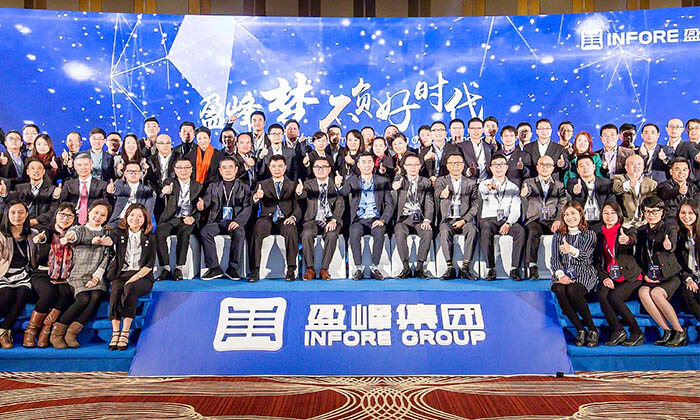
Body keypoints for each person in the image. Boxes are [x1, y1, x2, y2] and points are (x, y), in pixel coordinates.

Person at [50, 199, 112, 349]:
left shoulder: (107, 234)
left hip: (96, 275)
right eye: (96, 212)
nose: (98, 217)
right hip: (78, 274)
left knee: (96, 296)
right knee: (83, 299)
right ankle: (57, 332)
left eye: (103, 215)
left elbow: (106, 257)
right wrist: (70, 237)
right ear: (89, 212)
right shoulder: (79, 229)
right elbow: (75, 235)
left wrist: (97, 277)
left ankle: (71, 333)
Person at [23, 204, 76, 348]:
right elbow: (43, 236)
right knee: (49, 294)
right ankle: (31, 331)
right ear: (56, 215)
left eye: (69, 216)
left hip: (64, 275)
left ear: (74, 218)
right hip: (42, 273)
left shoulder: (74, 234)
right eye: (62, 214)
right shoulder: (46, 230)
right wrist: (40, 238)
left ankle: (46, 330)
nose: (65, 218)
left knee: (66, 293)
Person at [635, 196, 686, 347]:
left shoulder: (669, 227)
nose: (651, 215)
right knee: (643, 292)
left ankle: (680, 331)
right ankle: (667, 331)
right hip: (651, 275)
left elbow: (673, 245)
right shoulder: (641, 231)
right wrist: (644, 274)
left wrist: (669, 246)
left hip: (669, 275)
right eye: (647, 211)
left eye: (655, 211)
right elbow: (639, 257)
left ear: (662, 212)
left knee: (656, 293)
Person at [106, 203, 155, 351]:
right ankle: (115, 332)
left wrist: (132, 279)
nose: (135, 219)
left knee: (130, 288)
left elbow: (150, 264)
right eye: (132, 215)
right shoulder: (118, 232)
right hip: (121, 273)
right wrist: (103, 241)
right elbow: (110, 240)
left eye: (140, 216)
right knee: (116, 289)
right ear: (126, 217)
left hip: (142, 275)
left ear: (145, 219)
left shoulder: (150, 237)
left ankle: (125, 331)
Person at [594, 201, 644, 346]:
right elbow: (596, 261)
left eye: (613, 213)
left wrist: (627, 240)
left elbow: (633, 239)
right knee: (602, 293)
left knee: (614, 297)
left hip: (630, 276)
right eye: (606, 213)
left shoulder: (626, 231)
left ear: (619, 215)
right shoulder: (599, 235)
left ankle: (636, 332)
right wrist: (604, 277)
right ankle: (617, 330)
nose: (609, 216)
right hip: (611, 275)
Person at [550, 201, 599, 347]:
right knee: (559, 289)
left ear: (581, 214)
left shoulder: (589, 234)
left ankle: (593, 329)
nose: (570, 217)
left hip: (584, 272)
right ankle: (580, 329)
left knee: (572, 290)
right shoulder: (558, 235)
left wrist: (571, 249)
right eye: (566, 214)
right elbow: (555, 259)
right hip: (564, 272)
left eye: (573, 213)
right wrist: (561, 275)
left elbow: (586, 257)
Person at [340, 152, 395, 281]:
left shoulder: (382, 181)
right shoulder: (352, 180)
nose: (367, 165)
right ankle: (358, 268)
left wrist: (383, 220)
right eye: (363, 162)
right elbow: (343, 193)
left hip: (376, 218)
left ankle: (375, 267)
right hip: (358, 219)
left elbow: (389, 204)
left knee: (379, 232)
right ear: (358, 165)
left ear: (373, 164)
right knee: (354, 232)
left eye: (369, 162)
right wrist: (338, 185)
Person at [197, 157, 252, 280]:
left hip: (235, 222)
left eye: (231, 167)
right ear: (220, 171)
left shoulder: (245, 187)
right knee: (205, 232)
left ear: (236, 169)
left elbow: (248, 207)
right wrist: (202, 205)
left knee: (239, 233)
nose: (228, 170)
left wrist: (238, 221)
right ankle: (214, 267)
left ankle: (233, 268)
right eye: (224, 168)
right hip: (217, 222)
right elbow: (206, 201)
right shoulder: (213, 186)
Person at [248, 155, 301, 283]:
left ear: (285, 168)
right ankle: (255, 270)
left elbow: (298, 207)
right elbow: (251, 202)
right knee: (257, 228)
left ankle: (291, 269)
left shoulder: (293, 185)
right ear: (269, 168)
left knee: (291, 229)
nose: (277, 169)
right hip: (267, 218)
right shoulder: (261, 184)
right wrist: (256, 197)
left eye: (280, 166)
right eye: (274, 166)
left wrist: (293, 217)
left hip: (285, 218)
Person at [154, 158, 203, 282]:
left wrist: (194, 218)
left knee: (184, 233)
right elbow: (163, 190)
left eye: (186, 168)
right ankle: (165, 268)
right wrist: (164, 191)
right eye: (180, 168)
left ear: (191, 170)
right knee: (159, 232)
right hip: (171, 219)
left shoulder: (198, 186)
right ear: (175, 170)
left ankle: (179, 268)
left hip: (188, 219)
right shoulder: (170, 182)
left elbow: (201, 208)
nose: (183, 171)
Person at [478, 154, 526, 280]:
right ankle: (490, 269)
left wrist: (509, 223)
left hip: (506, 219)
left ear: (506, 167)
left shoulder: (513, 187)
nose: (498, 167)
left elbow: (516, 208)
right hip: (489, 220)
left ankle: (514, 268)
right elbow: (484, 192)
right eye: (495, 165)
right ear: (490, 168)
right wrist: (490, 189)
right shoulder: (484, 184)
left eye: (501, 164)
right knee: (486, 229)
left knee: (520, 231)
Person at [520, 155, 567, 280]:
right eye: (542, 165)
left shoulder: (559, 185)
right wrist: (525, 193)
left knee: (562, 232)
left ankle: (561, 266)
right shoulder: (528, 182)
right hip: (535, 219)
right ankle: (532, 266)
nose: (545, 168)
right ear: (537, 167)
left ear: (553, 168)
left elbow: (562, 204)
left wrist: (558, 220)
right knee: (533, 231)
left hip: (552, 220)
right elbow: (527, 191)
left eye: (548, 165)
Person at [297, 158, 344, 281]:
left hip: (330, 219)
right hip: (313, 219)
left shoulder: (335, 183)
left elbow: (340, 203)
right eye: (317, 167)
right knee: (306, 234)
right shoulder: (308, 184)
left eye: (324, 167)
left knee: (332, 234)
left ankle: (324, 269)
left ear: (329, 169)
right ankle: (310, 269)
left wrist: (334, 219)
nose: (320, 169)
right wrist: (299, 192)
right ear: (313, 170)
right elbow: (303, 195)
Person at [435, 153, 479, 280]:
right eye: (452, 163)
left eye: (458, 163)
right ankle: (450, 268)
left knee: (472, 230)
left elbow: (475, 205)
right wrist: (442, 194)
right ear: (447, 166)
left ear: (463, 165)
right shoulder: (441, 181)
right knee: (444, 231)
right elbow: (437, 192)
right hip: (447, 220)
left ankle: (466, 267)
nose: (455, 166)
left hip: (464, 219)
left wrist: (464, 220)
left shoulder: (471, 182)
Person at [0, 201, 37, 349]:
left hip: (22, 274)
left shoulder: (32, 234)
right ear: (7, 214)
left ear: (27, 214)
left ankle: (4, 331)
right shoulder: (1, 235)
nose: (17, 216)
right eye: (13, 212)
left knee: (23, 292)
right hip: (3, 274)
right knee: (7, 294)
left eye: (21, 212)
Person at [392, 154, 434, 279]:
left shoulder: (426, 182)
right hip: (403, 219)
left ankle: (419, 267)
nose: (412, 167)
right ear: (404, 166)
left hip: (419, 218)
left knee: (427, 232)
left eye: (416, 164)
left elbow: (429, 203)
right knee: (399, 232)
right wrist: (395, 188)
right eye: (409, 165)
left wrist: (427, 220)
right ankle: (405, 267)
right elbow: (394, 186)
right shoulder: (400, 179)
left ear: (420, 166)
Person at [3, 158, 59, 227]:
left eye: (39, 168)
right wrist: (4, 194)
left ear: (44, 171)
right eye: (33, 168)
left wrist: (36, 221)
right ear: (27, 172)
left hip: (42, 225)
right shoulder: (20, 188)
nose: (36, 171)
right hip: (20, 224)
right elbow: (10, 201)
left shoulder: (52, 190)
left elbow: (53, 211)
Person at [57, 152, 108, 225]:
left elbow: (106, 206)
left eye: (86, 164)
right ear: (75, 167)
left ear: (92, 165)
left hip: (92, 220)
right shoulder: (68, 184)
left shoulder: (102, 185)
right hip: (71, 219)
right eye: (79, 165)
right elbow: (62, 203)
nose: (83, 168)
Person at [566, 155, 613, 231]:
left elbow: (611, 202)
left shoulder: (605, 182)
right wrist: (576, 191)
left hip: (601, 221)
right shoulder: (573, 182)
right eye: (581, 166)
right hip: (581, 222)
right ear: (578, 170)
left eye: (588, 164)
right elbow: (572, 190)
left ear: (594, 167)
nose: (585, 168)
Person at [612, 154, 658, 227]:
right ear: (626, 167)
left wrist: (647, 219)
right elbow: (616, 189)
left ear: (643, 167)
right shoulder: (619, 178)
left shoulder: (652, 184)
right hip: (625, 222)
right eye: (633, 164)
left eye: (639, 164)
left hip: (645, 222)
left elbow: (653, 203)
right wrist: (629, 184)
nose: (636, 167)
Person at [105, 162, 156, 228]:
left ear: (141, 174)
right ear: (125, 173)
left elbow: (147, 213)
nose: (133, 174)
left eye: (136, 171)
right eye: (130, 171)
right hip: (118, 221)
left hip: (137, 223)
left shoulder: (148, 191)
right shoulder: (119, 185)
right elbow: (119, 191)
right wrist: (113, 190)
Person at [676, 199, 700, 328]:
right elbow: (679, 262)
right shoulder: (678, 235)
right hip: (692, 276)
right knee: (687, 290)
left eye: (690, 213)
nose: (686, 216)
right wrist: (688, 279)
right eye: (683, 212)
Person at [657, 157, 699, 222]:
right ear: (671, 172)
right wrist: (678, 191)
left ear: (688, 171)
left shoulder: (693, 187)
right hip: (671, 220)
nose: (681, 172)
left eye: (684, 170)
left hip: (690, 220)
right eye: (677, 169)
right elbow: (664, 194)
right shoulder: (663, 186)